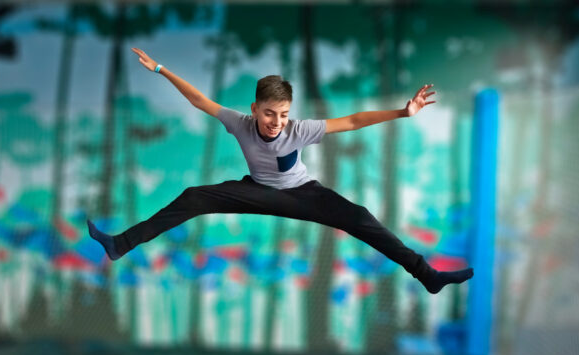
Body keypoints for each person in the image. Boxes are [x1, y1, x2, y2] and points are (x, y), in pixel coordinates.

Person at [86, 47, 473, 294]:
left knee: (359, 217)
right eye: (270, 114)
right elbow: (199, 100)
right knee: (194, 197)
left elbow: (353, 121)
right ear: (255, 109)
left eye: (283, 114)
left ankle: (428, 276)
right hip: (255, 189)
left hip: (302, 193)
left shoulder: (299, 129)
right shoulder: (239, 122)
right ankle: (120, 244)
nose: (276, 122)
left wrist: (402, 113)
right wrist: (161, 68)